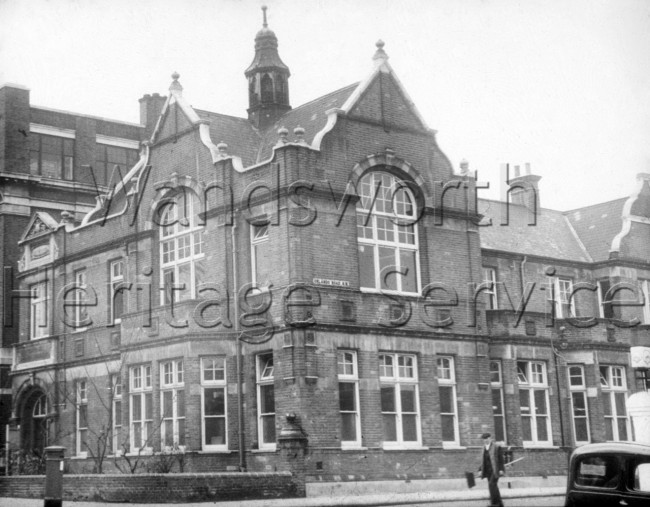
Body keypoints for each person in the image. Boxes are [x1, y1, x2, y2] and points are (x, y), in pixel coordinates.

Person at [478, 432, 505, 507]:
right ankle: (500, 503)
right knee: (494, 486)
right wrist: (480, 470)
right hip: (487, 471)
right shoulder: (483, 448)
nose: (486, 440)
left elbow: (500, 459)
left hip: (495, 469)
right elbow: (482, 461)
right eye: (484, 439)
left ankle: (494, 503)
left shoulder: (496, 447)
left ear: (490, 438)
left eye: (487, 438)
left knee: (491, 484)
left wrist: (501, 469)